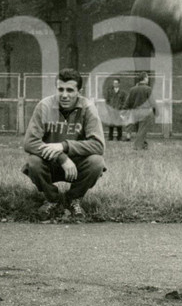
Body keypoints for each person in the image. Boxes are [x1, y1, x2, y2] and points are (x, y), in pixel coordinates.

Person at [23, 68, 106, 220]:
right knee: (33, 161)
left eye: (70, 90)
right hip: (50, 163)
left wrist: (65, 146)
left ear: (79, 91)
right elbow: (29, 142)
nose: (64, 95)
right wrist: (62, 157)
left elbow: (98, 145)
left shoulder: (88, 108)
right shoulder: (45, 106)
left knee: (96, 162)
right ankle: (52, 199)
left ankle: (74, 199)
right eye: (60, 89)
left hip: (77, 165)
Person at [124, 72, 156, 150]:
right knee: (142, 130)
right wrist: (154, 111)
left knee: (139, 130)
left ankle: (144, 144)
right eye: (147, 78)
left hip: (135, 112)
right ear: (144, 78)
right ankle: (137, 147)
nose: (148, 79)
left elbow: (128, 102)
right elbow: (152, 102)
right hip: (145, 112)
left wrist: (125, 110)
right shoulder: (148, 89)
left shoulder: (132, 89)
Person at [103, 77, 128, 141]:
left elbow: (124, 102)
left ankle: (119, 137)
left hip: (118, 111)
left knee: (119, 124)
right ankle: (110, 137)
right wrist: (109, 109)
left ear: (119, 84)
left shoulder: (122, 93)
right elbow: (107, 101)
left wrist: (121, 109)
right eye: (114, 83)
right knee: (111, 125)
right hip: (111, 111)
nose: (115, 84)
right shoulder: (110, 92)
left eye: (116, 83)